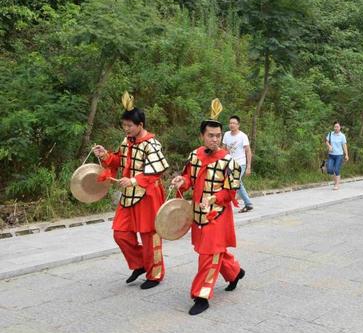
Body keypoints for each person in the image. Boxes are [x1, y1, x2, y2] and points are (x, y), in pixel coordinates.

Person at [171, 100, 245, 316]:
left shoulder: (229, 162)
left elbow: (230, 193)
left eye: (218, 135)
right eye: (210, 135)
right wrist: (180, 182)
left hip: (217, 214)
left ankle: (201, 295)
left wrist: (213, 199)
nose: (215, 139)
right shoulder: (194, 156)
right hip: (198, 213)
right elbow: (188, 179)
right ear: (202, 136)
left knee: (208, 254)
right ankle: (235, 272)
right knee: (213, 252)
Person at [94, 92, 169, 289]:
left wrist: (135, 180)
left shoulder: (152, 144)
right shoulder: (127, 141)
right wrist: (105, 156)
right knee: (120, 233)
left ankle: (155, 274)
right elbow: (119, 160)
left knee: (149, 235)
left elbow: (157, 170)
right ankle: (140, 264)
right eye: (124, 125)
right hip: (129, 193)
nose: (126, 129)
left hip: (148, 195)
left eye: (130, 126)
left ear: (140, 126)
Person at [223, 115, 254, 213]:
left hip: (241, 164)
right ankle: (248, 204)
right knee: (237, 183)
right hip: (229, 163)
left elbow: (248, 152)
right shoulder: (226, 135)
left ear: (238, 125)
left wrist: (248, 167)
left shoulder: (242, 136)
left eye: (234, 123)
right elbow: (223, 149)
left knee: (235, 182)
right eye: (230, 123)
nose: (231, 125)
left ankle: (226, 203)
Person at [325, 121, 349, 189]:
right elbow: (326, 141)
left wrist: (346, 155)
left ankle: (337, 184)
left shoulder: (342, 136)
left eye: (337, 127)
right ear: (333, 127)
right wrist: (329, 146)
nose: (336, 128)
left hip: (339, 155)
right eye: (335, 127)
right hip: (331, 155)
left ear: (340, 127)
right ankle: (335, 182)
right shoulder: (330, 134)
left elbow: (344, 145)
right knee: (329, 169)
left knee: (336, 169)